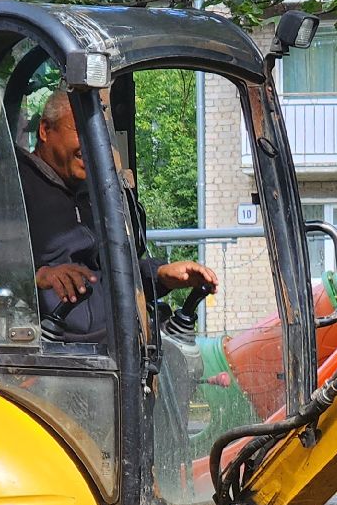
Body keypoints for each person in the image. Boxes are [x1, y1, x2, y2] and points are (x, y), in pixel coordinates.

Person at [19, 88, 218, 342]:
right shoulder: (9, 186)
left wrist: (160, 275)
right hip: (52, 352)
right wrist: (38, 276)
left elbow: (109, 276)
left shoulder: (94, 192)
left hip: (112, 348)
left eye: (96, 136)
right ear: (46, 130)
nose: (90, 145)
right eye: (80, 130)